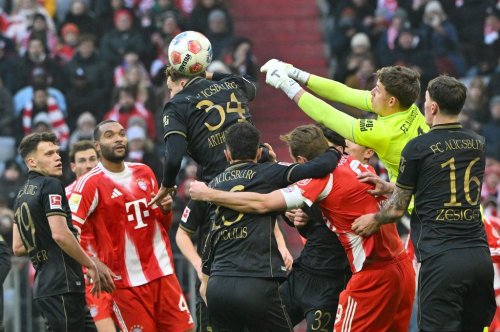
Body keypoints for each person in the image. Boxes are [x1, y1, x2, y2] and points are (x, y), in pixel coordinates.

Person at [190, 124, 415, 331]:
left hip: (371, 273)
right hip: (397, 267)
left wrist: (208, 193)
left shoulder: (318, 181)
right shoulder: (354, 164)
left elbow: (262, 203)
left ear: (301, 160)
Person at [352, 75, 496, 331]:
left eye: (426, 100)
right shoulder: (477, 143)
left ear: (433, 107)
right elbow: (442, 184)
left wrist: (373, 220)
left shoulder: (417, 147)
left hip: (442, 260)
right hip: (479, 258)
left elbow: (397, 209)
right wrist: (392, 187)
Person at [195, 122, 341, 332]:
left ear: (227, 154)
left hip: (218, 284)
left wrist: (206, 278)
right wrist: (335, 152)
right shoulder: (269, 172)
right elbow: (320, 167)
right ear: (258, 152)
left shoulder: (214, 185)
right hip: (256, 281)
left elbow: (212, 235)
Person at [151, 65, 259, 331]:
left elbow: (174, 156)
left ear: (175, 79)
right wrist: (208, 74)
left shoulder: (177, 103)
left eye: (170, 85)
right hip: (256, 182)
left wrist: (166, 185)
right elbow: (252, 88)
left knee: (211, 284)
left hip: (216, 192)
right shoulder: (231, 85)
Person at [69, 120, 194, 332]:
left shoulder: (144, 172)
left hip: (162, 272)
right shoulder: (89, 184)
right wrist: (90, 263)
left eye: (121, 133)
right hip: (125, 284)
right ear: (97, 145)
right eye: (109, 135)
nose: (118, 138)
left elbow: (161, 224)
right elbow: (70, 231)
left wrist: (165, 210)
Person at [260, 60, 429, 183]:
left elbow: (327, 116)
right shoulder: (408, 107)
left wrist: (287, 85)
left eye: (377, 91)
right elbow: (343, 92)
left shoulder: (384, 133)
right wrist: (294, 72)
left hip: (418, 207)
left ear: (391, 101)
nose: (371, 93)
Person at [11, 132, 115, 331]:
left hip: (46, 286)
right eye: (49, 154)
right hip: (62, 285)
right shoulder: (50, 184)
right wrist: (91, 264)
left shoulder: (21, 193)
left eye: (57, 152)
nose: (57, 157)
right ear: (31, 161)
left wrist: (43, 235)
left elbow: (18, 246)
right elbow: (60, 234)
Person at [279, 126, 351, 332]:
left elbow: (340, 223)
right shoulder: (307, 182)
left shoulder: (347, 179)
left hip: (332, 282)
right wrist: (296, 220)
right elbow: (309, 228)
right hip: (303, 273)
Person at [65, 140, 116, 332]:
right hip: (93, 275)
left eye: (93, 159)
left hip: (122, 272)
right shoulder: (68, 196)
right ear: (73, 166)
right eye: (82, 160)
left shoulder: (114, 188)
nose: (88, 165)